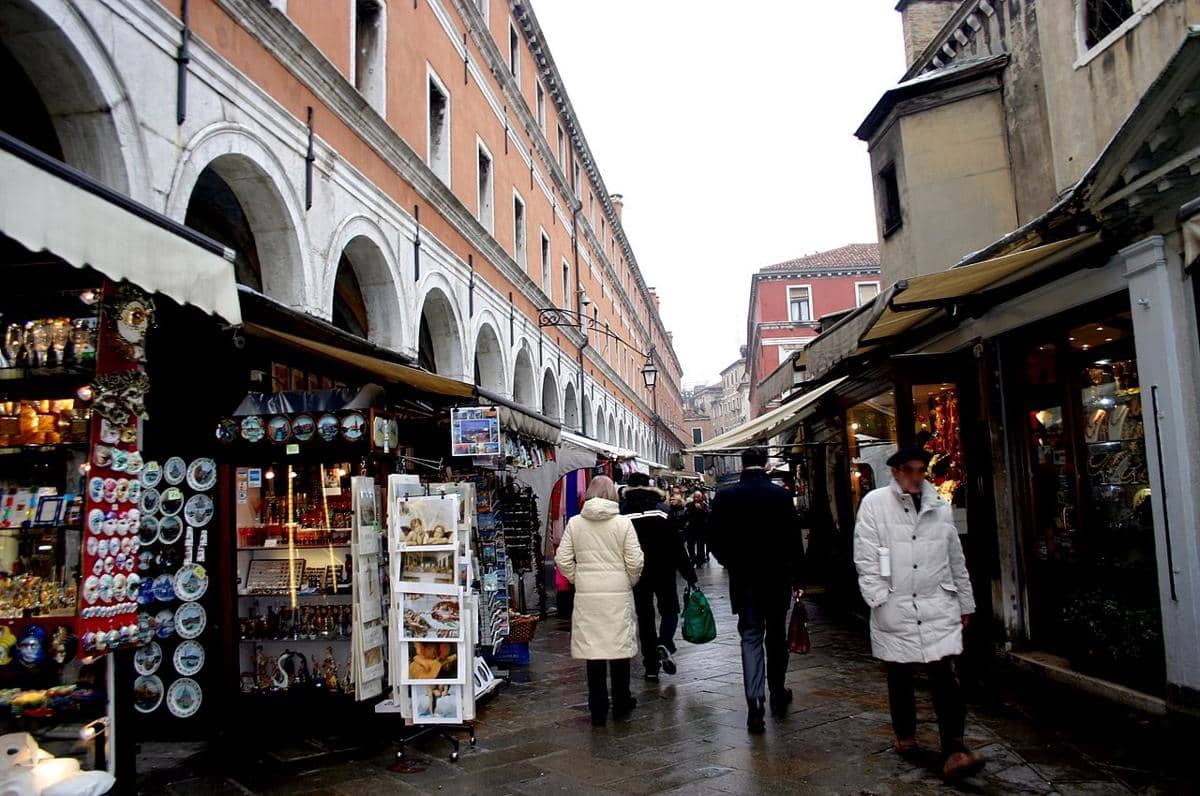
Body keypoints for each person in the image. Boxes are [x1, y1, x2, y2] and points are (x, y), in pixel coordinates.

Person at [852, 446, 985, 782]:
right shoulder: (874, 504)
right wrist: (878, 597)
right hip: (894, 604)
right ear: (895, 472)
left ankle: (954, 748)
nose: (915, 476)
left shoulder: (939, 505)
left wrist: (965, 602)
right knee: (899, 675)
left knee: (945, 677)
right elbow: (865, 556)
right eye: (908, 469)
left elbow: (955, 557)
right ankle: (905, 736)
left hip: (936, 603)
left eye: (920, 469)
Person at [708, 446, 805, 734]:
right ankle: (777, 691)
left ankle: (755, 703)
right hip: (777, 580)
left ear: (741, 465)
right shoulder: (780, 495)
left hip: (745, 581)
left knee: (750, 637)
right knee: (775, 636)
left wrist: (732, 563)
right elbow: (793, 540)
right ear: (765, 465)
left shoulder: (726, 496)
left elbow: (714, 540)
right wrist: (798, 578)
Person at [554, 475, 645, 727]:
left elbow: (562, 559)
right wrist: (628, 580)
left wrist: (578, 578)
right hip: (617, 592)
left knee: (593, 651)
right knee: (619, 648)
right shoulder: (623, 523)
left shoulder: (575, 523)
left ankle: (597, 707)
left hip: (588, 594)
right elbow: (635, 560)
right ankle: (621, 702)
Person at [621, 472, 697, 682]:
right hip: (664, 569)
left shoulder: (622, 512)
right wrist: (689, 573)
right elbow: (676, 545)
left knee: (645, 618)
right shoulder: (663, 511)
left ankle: (651, 667)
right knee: (670, 609)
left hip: (637, 572)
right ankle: (665, 642)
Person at [684, 491, 710, 566]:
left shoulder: (704, 505)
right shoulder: (689, 505)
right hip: (691, 527)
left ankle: (700, 560)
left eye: (698, 496)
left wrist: (701, 509)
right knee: (690, 544)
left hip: (701, 528)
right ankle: (693, 558)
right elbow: (686, 514)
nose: (696, 498)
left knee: (700, 545)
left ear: (701, 497)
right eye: (695, 496)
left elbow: (708, 514)